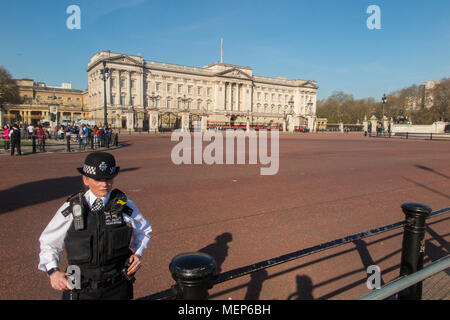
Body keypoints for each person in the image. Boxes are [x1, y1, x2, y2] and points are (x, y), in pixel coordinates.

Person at [38, 152, 152, 300]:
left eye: (108, 179)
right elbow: (49, 242)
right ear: (85, 180)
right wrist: (53, 272)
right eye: (98, 179)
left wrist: (138, 253)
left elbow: (144, 231)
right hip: (79, 289)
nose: (104, 184)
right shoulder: (72, 208)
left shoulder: (124, 205)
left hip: (117, 288)